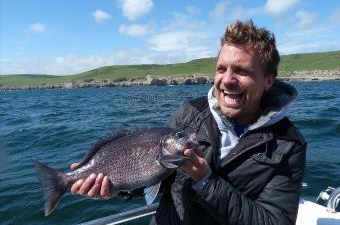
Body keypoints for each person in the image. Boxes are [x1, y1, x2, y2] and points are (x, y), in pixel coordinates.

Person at [71, 20, 307, 225]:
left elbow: (274, 220)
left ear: (268, 80)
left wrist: (206, 181)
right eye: (221, 68)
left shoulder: (288, 144)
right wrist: (120, 187)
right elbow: (160, 179)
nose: (227, 80)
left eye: (241, 71)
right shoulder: (190, 113)